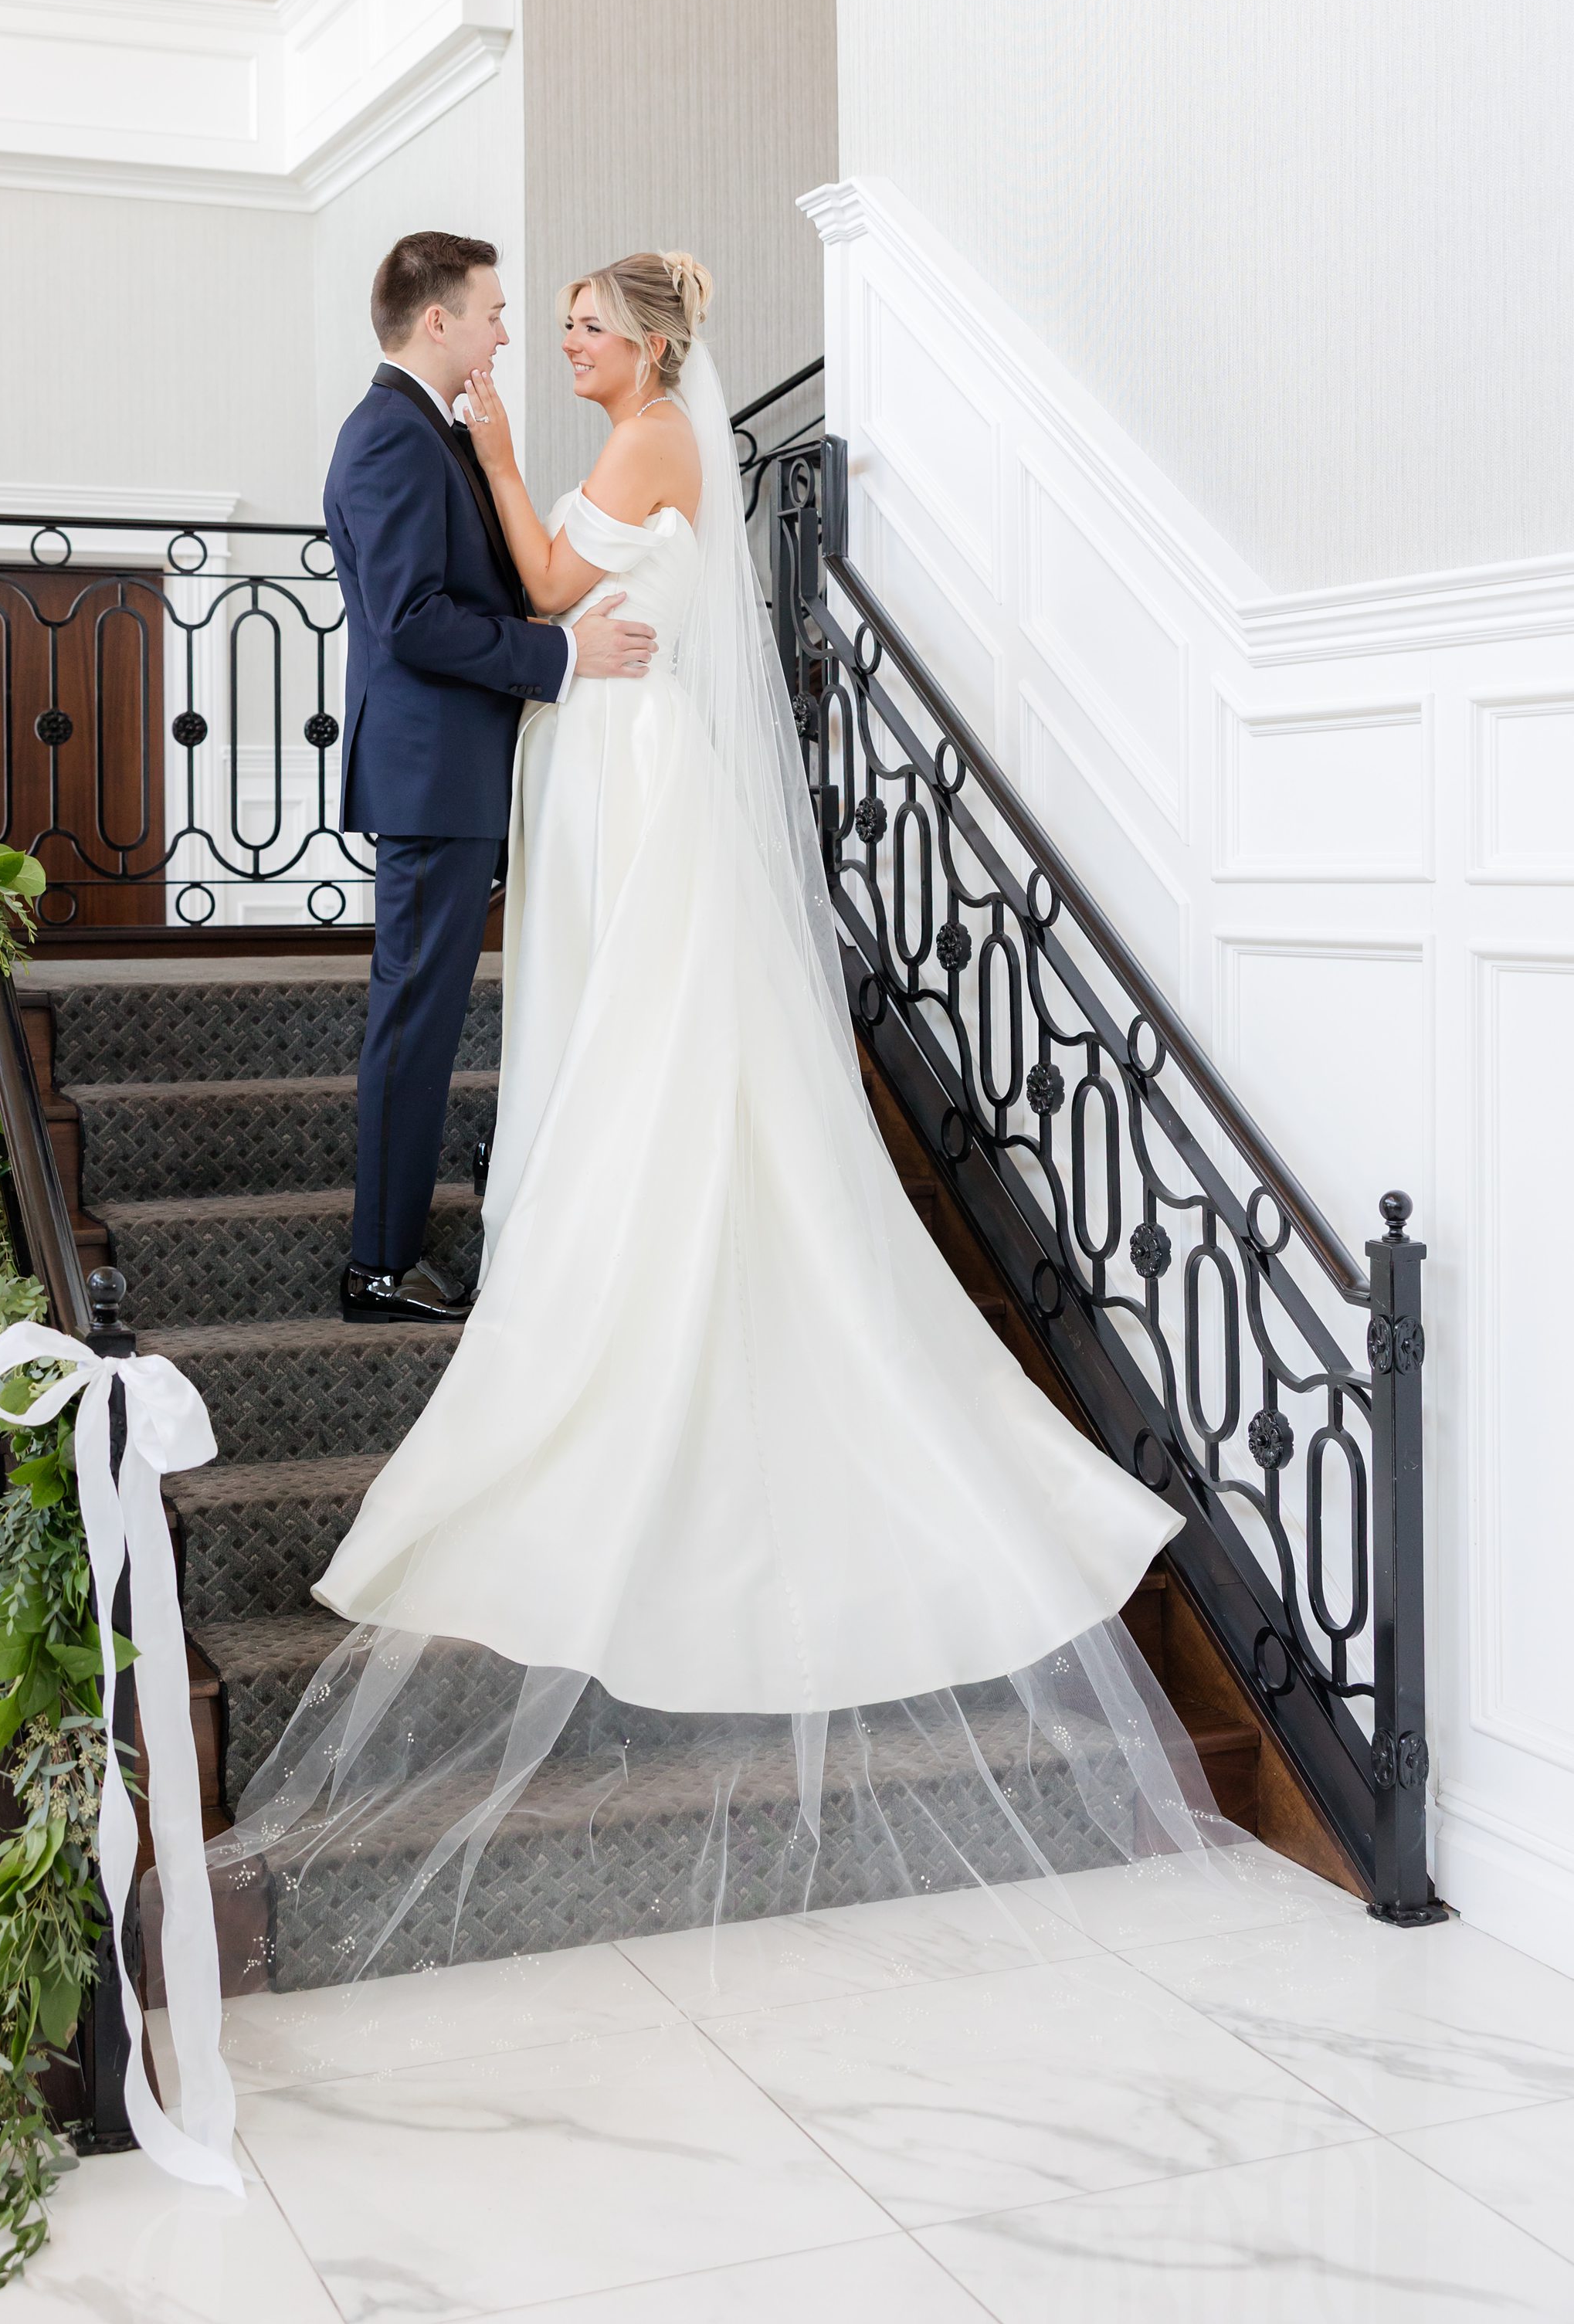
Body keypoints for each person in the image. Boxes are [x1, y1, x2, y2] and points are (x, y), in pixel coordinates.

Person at [202, 251, 1235, 1990]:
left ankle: (587, 1252)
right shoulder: (449, 435)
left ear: (656, 345)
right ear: (440, 319)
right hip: (585, 751)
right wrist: (532, 563)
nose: (553, 333)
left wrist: (515, 473)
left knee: (641, 1040)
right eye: (529, 317)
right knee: (558, 1024)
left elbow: (538, 572)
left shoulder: (659, 440)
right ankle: (428, 1246)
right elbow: (506, 600)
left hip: (635, 771)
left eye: (586, 321)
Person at [323, 232, 656, 1325]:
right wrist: (559, 656)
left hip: (456, 772)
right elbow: (417, 622)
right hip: (430, 777)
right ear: (439, 322)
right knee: (415, 1019)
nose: (509, 332)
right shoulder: (390, 437)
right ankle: (378, 1265)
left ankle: (402, 1238)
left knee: (427, 1012)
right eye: (496, 311)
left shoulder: (429, 430)